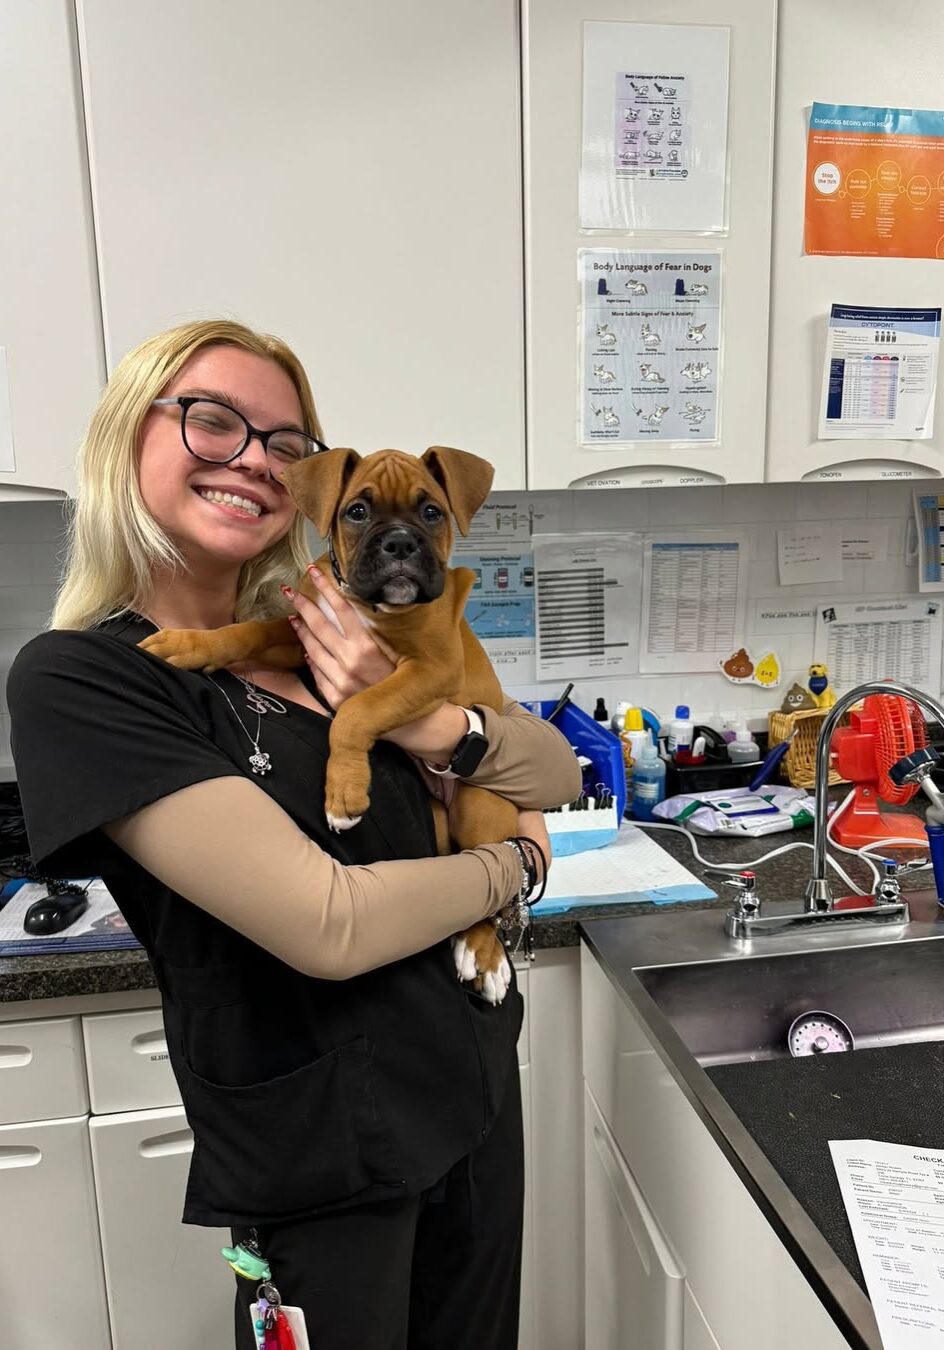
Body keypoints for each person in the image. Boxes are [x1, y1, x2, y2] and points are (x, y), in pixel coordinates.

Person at [7, 319, 581, 1349]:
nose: (253, 461)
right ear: (125, 438)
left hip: (470, 1088)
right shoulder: (86, 676)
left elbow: (553, 772)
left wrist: (429, 725)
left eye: (284, 442)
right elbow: (329, 923)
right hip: (320, 1146)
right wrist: (518, 863)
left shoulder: (331, 632)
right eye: (211, 421)